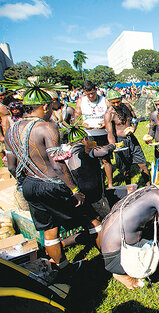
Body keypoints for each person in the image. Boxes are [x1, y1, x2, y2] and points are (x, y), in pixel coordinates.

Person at [3, 80, 100, 278]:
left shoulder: (11, 130)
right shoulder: (46, 127)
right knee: (92, 219)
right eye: (50, 108)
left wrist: (26, 183)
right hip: (52, 184)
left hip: (29, 186)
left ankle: (64, 269)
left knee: (49, 231)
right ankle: (109, 258)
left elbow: (11, 166)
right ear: (45, 106)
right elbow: (57, 164)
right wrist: (74, 190)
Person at [100, 185, 159, 289]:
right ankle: (129, 273)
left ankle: (122, 269)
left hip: (109, 248)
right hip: (119, 256)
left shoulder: (146, 191)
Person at [104, 89, 150, 186]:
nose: (116, 104)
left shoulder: (127, 107)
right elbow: (110, 133)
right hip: (120, 142)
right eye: (113, 103)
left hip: (132, 139)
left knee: (143, 164)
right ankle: (129, 188)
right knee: (126, 169)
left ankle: (148, 186)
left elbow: (135, 119)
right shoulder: (109, 114)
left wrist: (133, 127)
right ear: (109, 102)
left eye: (118, 102)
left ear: (121, 99)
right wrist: (113, 145)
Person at [74, 81, 113, 188]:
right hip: (89, 135)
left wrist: (105, 123)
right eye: (88, 94)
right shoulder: (81, 101)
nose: (91, 96)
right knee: (91, 160)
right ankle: (97, 183)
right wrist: (82, 124)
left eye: (93, 93)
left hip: (103, 134)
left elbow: (113, 115)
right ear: (84, 92)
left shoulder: (104, 100)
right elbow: (75, 118)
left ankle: (110, 184)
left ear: (96, 90)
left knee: (106, 160)